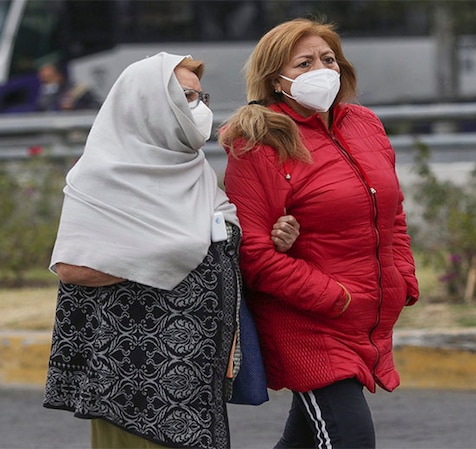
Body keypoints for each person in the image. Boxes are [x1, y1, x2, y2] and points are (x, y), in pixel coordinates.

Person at [42, 51, 299, 449]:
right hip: (131, 382)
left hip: (195, 376)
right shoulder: (101, 173)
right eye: (185, 96)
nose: (197, 108)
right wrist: (170, 252)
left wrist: (270, 235)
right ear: (148, 103)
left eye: (200, 97)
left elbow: (216, 243)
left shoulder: (193, 169)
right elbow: (73, 267)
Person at [219, 18, 419, 449]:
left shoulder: (364, 124)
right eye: (304, 63)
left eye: (327, 59)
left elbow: (392, 212)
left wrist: (403, 277)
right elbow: (254, 253)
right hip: (309, 322)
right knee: (350, 440)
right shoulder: (257, 141)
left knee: (307, 440)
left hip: (366, 313)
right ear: (276, 79)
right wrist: (334, 297)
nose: (320, 71)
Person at [36, 53, 101, 112]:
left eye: (49, 77)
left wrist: (75, 107)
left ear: (58, 75)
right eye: (42, 76)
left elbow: (97, 106)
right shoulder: (41, 93)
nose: (42, 76)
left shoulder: (77, 89)